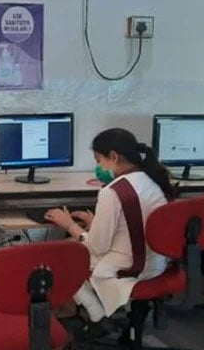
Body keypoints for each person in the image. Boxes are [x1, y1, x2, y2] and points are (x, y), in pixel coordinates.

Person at [45, 128, 173, 335]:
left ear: (113, 156)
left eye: (99, 160)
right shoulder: (150, 182)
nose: (98, 167)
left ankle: (97, 315)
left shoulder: (111, 192)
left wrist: (69, 224)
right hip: (155, 265)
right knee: (74, 245)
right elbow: (134, 223)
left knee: (62, 252)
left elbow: (97, 246)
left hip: (129, 268)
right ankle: (103, 312)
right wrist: (97, 222)